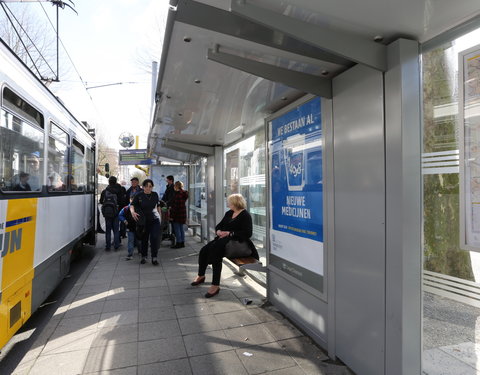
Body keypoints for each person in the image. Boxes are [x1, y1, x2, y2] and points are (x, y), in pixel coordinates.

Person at [190, 193, 259, 298]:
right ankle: (201, 275)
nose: (227, 203)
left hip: (237, 243)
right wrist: (218, 231)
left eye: (229, 202)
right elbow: (219, 225)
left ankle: (215, 285)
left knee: (215, 254)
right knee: (204, 250)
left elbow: (248, 233)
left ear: (235, 203)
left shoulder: (245, 215)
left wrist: (230, 233)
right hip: (223, 240)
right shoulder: (229, 213)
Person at [130, 179, 162, 265]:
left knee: (154, 238)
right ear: (143, 187)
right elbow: (132, 205)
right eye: (146, 186)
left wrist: (160, 217)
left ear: (152, 187)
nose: (148, 188)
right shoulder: (139, 195)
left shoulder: (155, 195)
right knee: (144, 239)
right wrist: (132, 212)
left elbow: (158, 205)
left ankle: (154, 258)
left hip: (154, 220)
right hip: (143, 221)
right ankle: (144, 256)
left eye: (150, 186)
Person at [99, 176, 124, 251]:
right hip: (116, 212)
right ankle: (116, 245)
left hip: (107, 213)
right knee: (116, 229)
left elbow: (100, 201)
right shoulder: (119, 190)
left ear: (109, 182)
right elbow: (122, 201)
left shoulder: (105, 191)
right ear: (116, 182)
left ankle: (108, 246)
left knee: (108, 230)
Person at [169, 181, 188, 249]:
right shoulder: (183, 193)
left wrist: (171, 216)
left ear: (176, 186)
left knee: (177, 230)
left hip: (177, 215)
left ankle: (178, 243)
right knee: (181, 229)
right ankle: (182, 242)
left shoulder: (177, 195)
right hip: (182, 214)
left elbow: (175, 207)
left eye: (174, 186)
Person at [119, 195, 137, 260]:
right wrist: (124, 220)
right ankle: (130, 253)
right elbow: (120, 215)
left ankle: (140, 251)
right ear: (130, 200)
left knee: (137, 240)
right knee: (131, 240)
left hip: (137, 227)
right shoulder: (126, 208)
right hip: (131, 227)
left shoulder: (139, 207)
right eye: (131, 199)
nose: (132, 201)